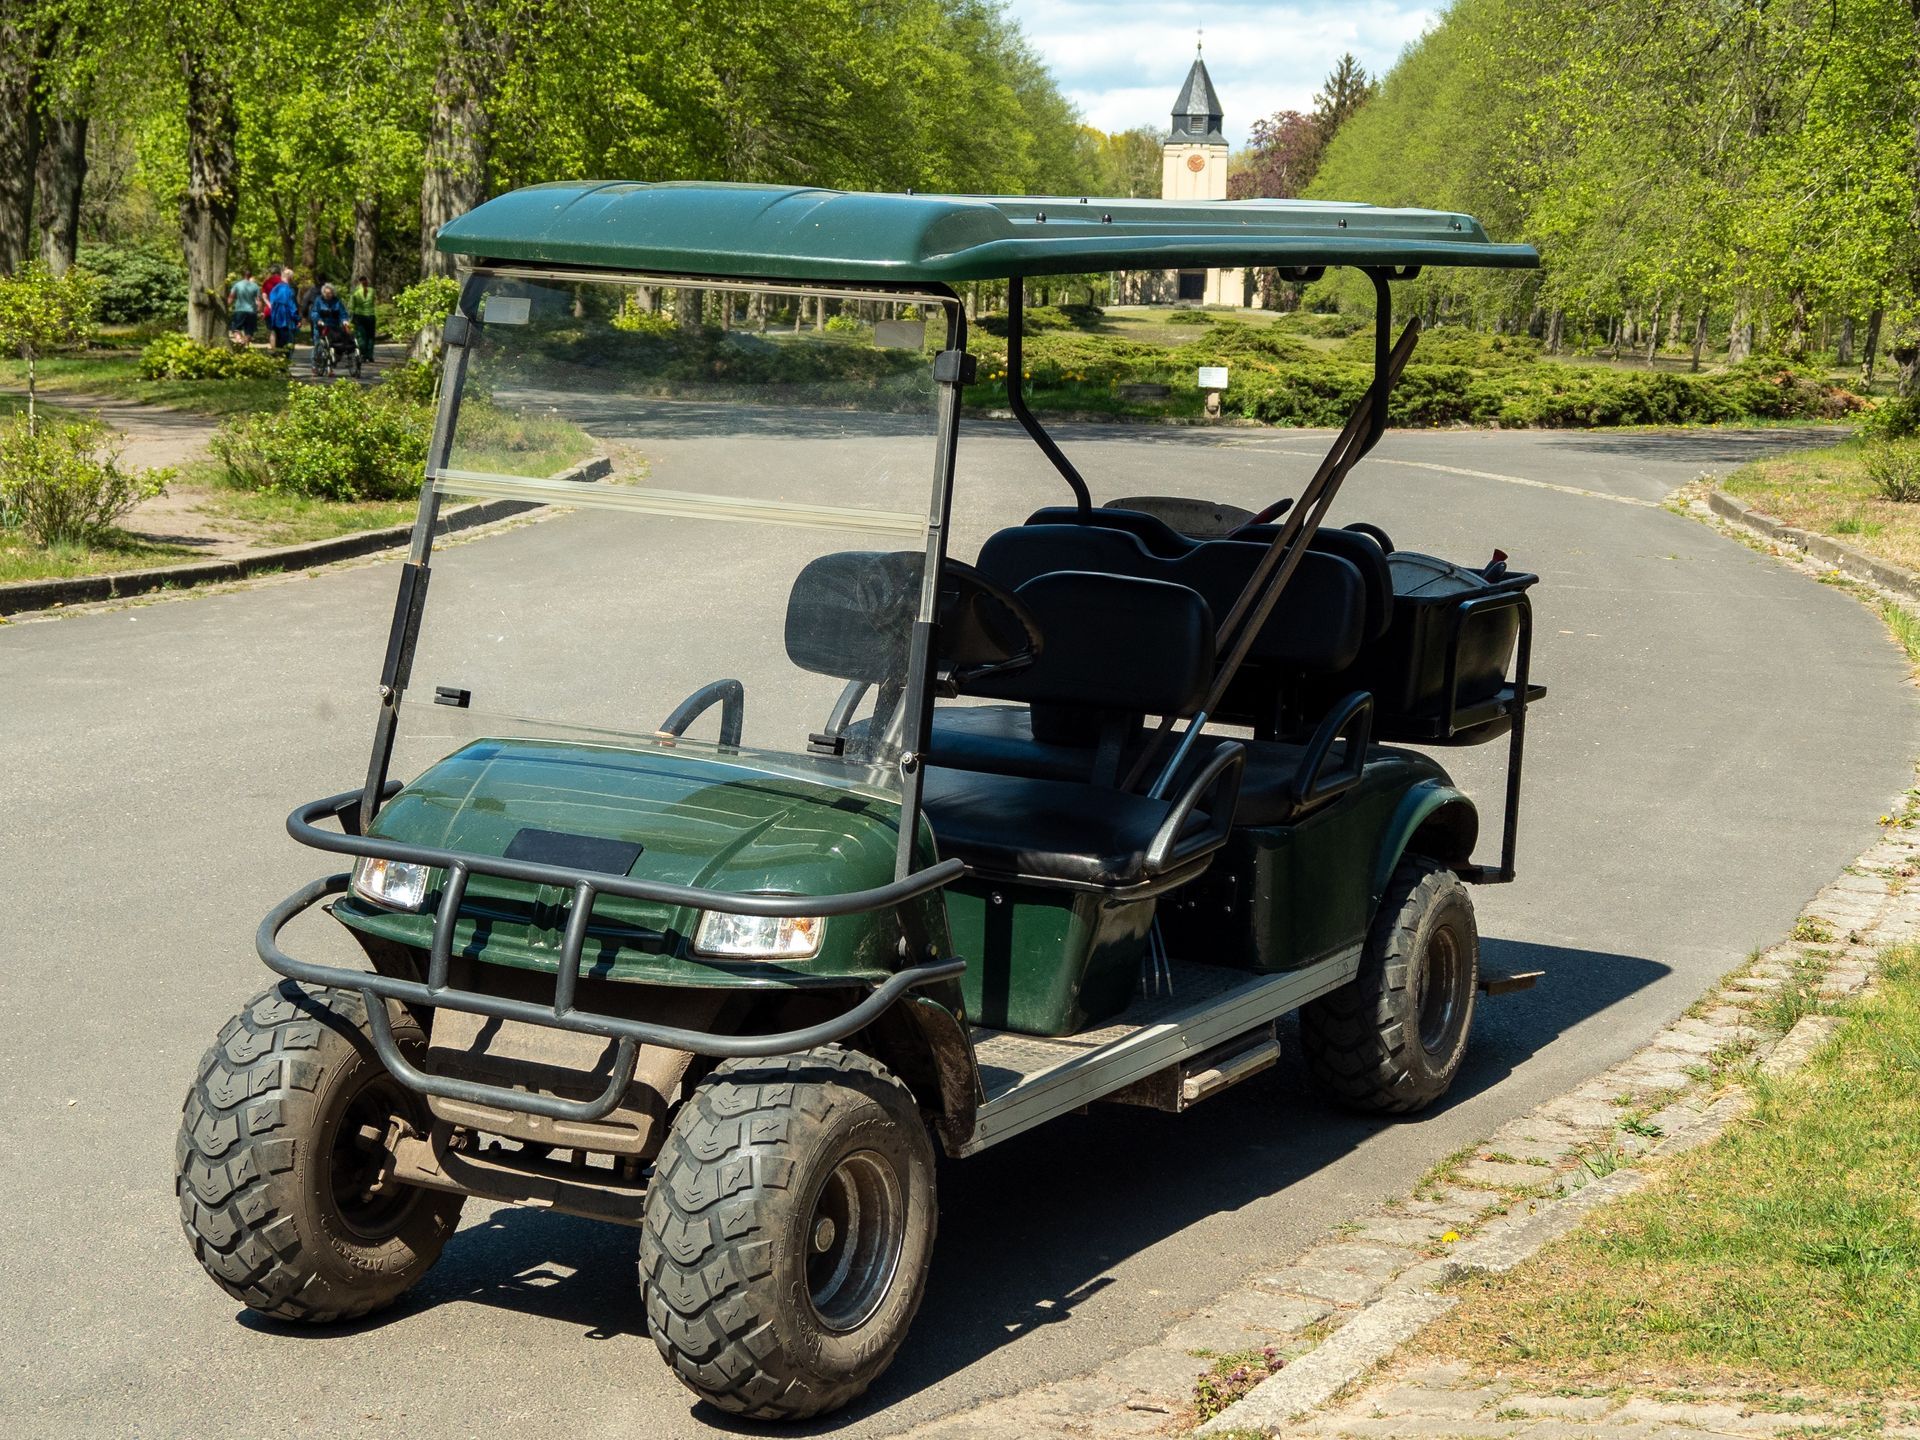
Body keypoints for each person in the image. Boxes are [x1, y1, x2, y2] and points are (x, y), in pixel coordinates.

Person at [310, 282, 349, 374]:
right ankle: (315, 366)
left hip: (333, 327)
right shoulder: (318, 300)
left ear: (333, 293)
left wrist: (344, 320)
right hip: (321, 327)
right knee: (318, 346)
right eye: (326, 293)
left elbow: (342, 313)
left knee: (335, 347)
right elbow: (314, 312)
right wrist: (318, 320)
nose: (328, 295)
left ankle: (330, 367)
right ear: (323, 293)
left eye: (330, 293)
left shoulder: (337, 301)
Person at [226, 270, 262, 346]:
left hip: (240, 310)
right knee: (249, 331)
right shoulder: (255, 286)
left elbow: (231, 297)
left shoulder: (237, 285)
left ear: (242, 275)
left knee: (235, 328)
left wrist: (226, 306)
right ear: (250, 276)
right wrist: (259, 310)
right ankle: (245, 346)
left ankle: (239, 340)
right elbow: (259, 300)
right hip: (252, 311)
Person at [266, 269, 298, 351]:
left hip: (275, 317)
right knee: (287, 340)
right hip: (286, 318)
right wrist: (297, 318)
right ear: (290, 277)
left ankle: (278, 355)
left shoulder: (275, 288)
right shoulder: (289, 290)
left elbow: (272, 302)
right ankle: (285, 357)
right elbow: (292, 306)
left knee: (278, 338)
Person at [348, 278, 376, 364]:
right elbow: (373, 302)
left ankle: (363, 354)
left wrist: (350, 318)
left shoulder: (355, 292)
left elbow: (352, 306)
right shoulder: (372, 291)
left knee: (361, 336)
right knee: (370, 336)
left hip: (359, 316)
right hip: (371, 316)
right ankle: (370, 355)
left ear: (359, 283)